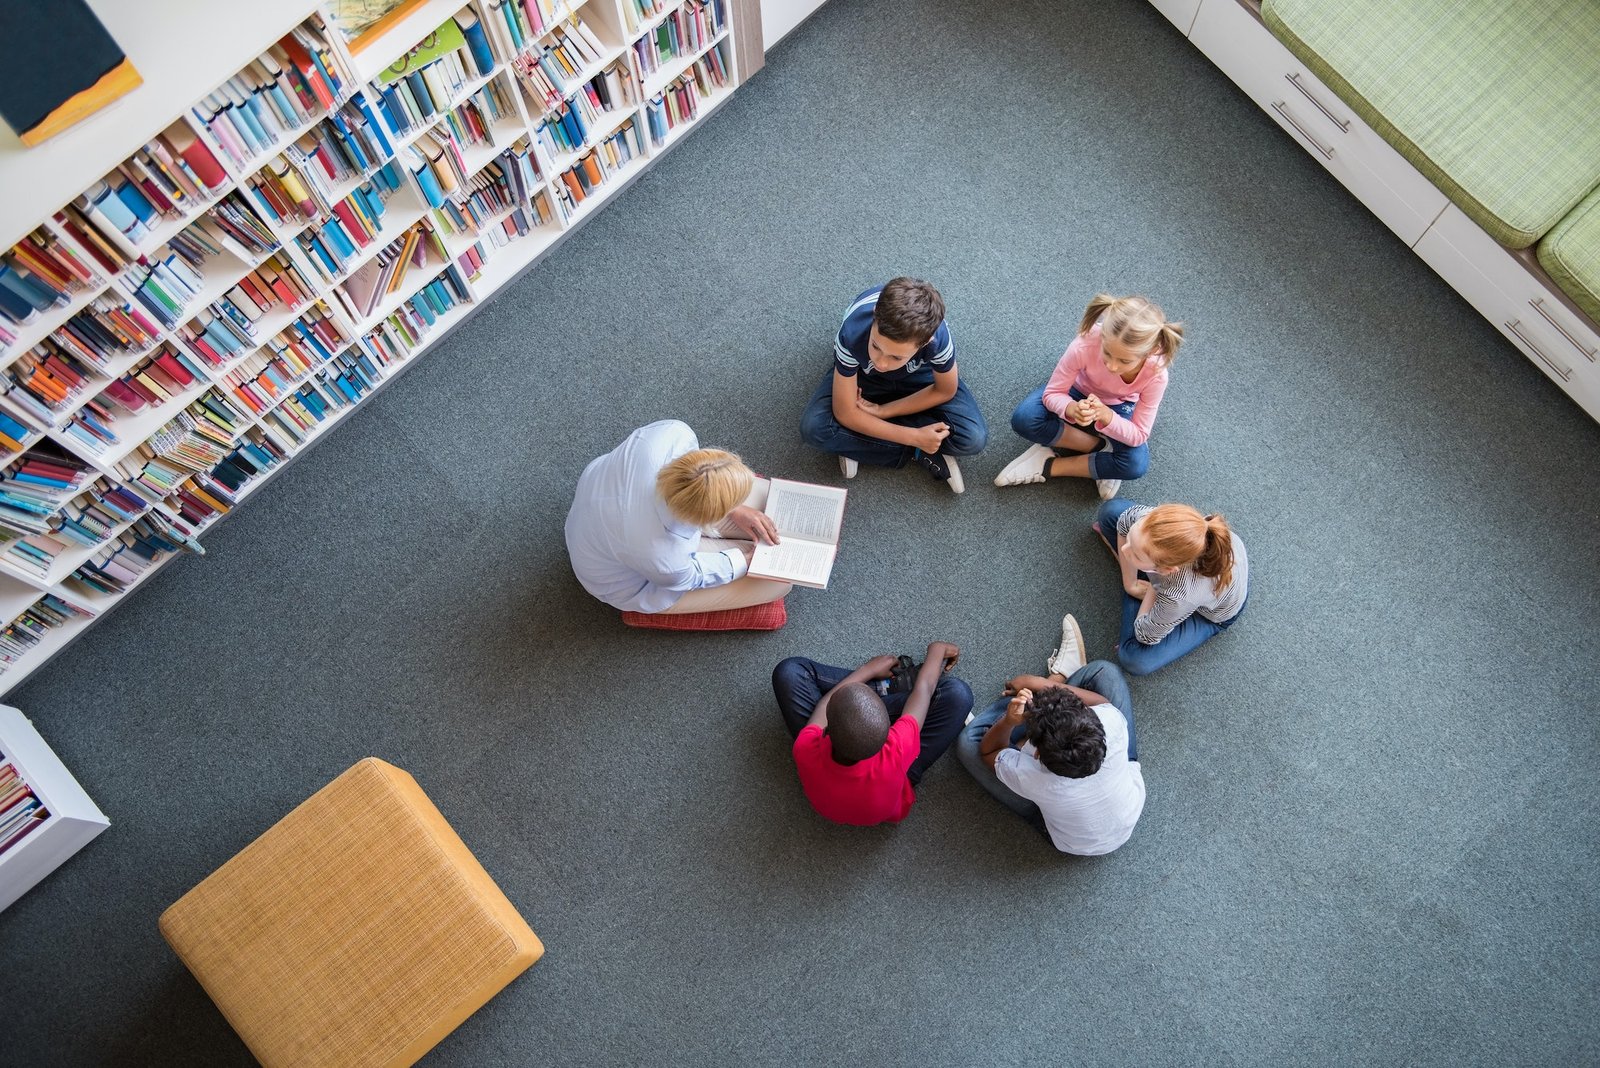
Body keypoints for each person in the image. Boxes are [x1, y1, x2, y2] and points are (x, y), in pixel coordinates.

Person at [564, 419, 792, 613]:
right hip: (633, 577)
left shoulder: (672, 435)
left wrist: (735, 508)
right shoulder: (665, 561)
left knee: (767, 504)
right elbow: (692, 575)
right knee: (777, 585)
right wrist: (745, 561)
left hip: (606, 508)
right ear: (707, 517)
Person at [955, 628, 1145, 855]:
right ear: (1093, 719)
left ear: (1036, 753)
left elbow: (987, 752)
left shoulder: (1032, 777)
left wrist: (1010, 720)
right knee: (1105, 673)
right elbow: (1102, 703)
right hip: (1124, 814)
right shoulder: (1109, 721)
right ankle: (1048, 691)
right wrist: (1036, 684)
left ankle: (1047, 689)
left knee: (969, 743)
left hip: (1065, 837)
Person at [799, 277, 987, 494]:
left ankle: (859, 441)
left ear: (926, 342)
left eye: (895, 357)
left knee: (973, 438)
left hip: (919, 375)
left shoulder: (938, 337)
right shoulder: (851, 333)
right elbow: (845, 412)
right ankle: (919, 450)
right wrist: (914, 437)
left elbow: (945, 390)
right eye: (876, 346)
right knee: (814, 428)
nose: (881, 363)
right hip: (863, 375)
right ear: (874, 318)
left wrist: (882, 411)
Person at [994, 294, 1183, 500]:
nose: (1112, 366)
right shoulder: (1085, 343)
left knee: (1135, 464)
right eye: (1107, 353)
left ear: (1151, 351)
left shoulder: (1156, 374)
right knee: (1025, 418)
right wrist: (1070, 408)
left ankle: (1048, 465)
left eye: (1124, 361)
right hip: (1077, 389)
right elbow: (1053, 393)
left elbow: (1139, 434)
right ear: (1102, 336)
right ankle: (1101, 449)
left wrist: (1107, 417)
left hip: (1120, 406)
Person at [772, 642, 972, 825]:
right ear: (889, 732)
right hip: (897, 782)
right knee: (958, 695)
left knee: (789, 671)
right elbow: (925, 688)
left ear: (825, 731)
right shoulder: (897, 747)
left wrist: (868, 669)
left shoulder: (806, 747)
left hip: (836, 786)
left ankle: (877, 688)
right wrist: (937, 650)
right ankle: (885, 690)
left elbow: (826, 704)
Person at [1093, 499, 1248, 675]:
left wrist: (1156, 588)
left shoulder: (1179, 595)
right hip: (1182, 581)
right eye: (1130, 540)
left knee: (1134, 659)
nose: (1125, 550)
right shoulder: (1145, 518)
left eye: (1135, 553)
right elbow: (1124, 523)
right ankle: (1144, 575)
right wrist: (1131, 585)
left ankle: (1150, 584)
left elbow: (1145, 634)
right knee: (1110, 512)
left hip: (1215, 612)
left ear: (1167, 570)